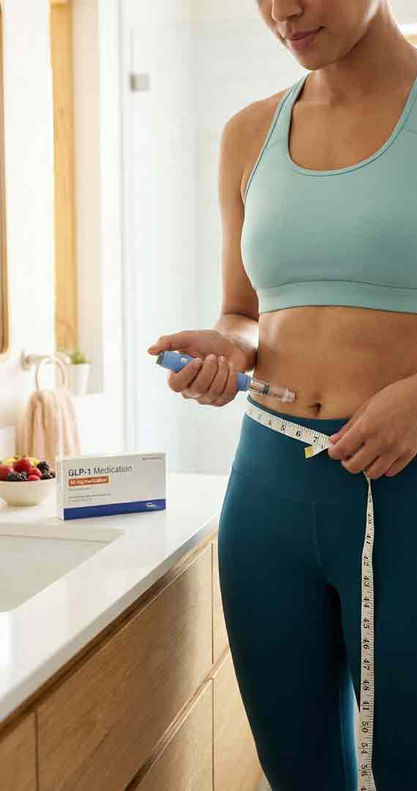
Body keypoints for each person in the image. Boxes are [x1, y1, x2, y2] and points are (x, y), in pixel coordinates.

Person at [147, 2, 417, 788]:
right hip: (269, 489)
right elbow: (243, 306)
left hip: (403, 485)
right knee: (296, 769)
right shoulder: (249, 133)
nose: (282, 11)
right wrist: (228, 345)